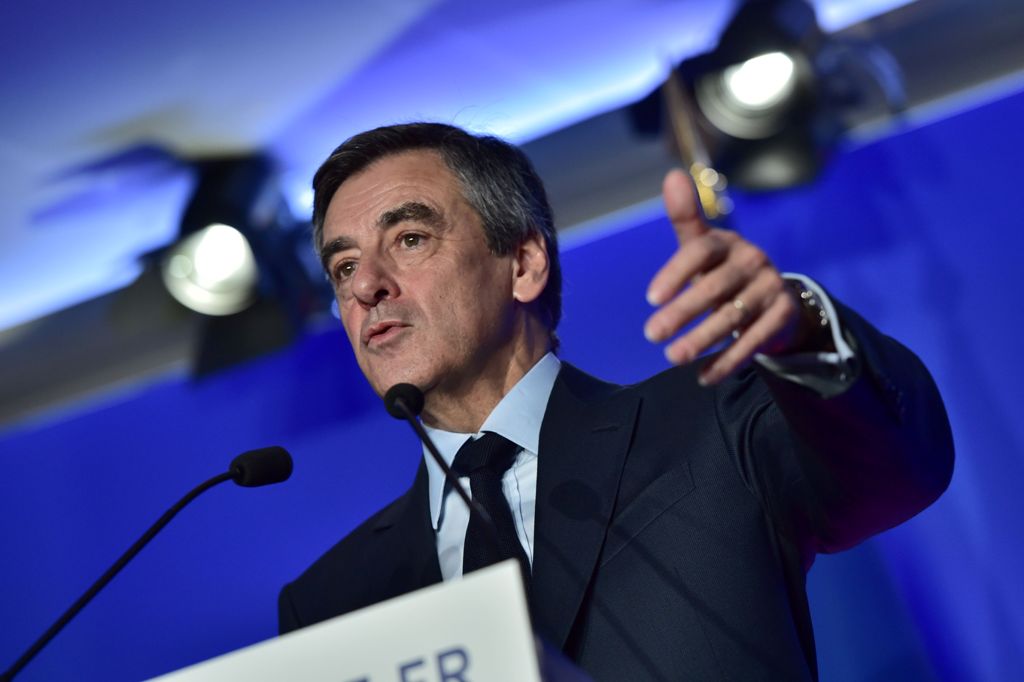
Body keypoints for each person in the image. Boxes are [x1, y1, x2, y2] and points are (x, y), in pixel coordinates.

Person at [278, 122, 953, 680]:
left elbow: (902, 471)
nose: (366, 284)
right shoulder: (332, 602)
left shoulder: (713, 422)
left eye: (410, 239)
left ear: (523, 263)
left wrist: (799, 327)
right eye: (343, 267)